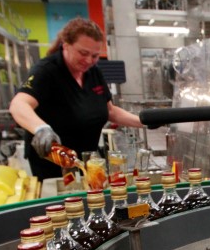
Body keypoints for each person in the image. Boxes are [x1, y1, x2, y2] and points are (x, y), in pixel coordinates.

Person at [9, 17, 144, 181]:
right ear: (65, 45)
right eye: (83, 53)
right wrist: (41, 129)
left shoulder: (94, 72)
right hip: (55, 165)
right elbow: (19, 104)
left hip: (87, 159)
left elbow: (110, 110)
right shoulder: (47, 71)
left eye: (94, 55)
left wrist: (144, 121)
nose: (89, 60)